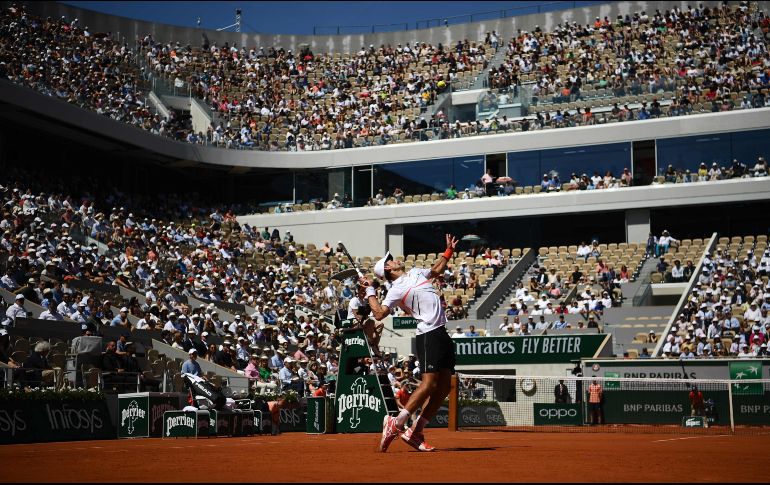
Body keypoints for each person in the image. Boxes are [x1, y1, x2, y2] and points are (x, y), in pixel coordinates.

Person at [362, 233, 458, 452]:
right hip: (428, 334)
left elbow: (436, 270)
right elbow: (378, 314)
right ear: (388, 269)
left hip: (441, 333)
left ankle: (415, 431)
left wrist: (448, 251)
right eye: (390, 260)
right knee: (428, 384)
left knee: (444, 387)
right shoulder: (394, 289)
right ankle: (395, 423)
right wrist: (370, 291)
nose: (395, 259)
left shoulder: (416, 272)